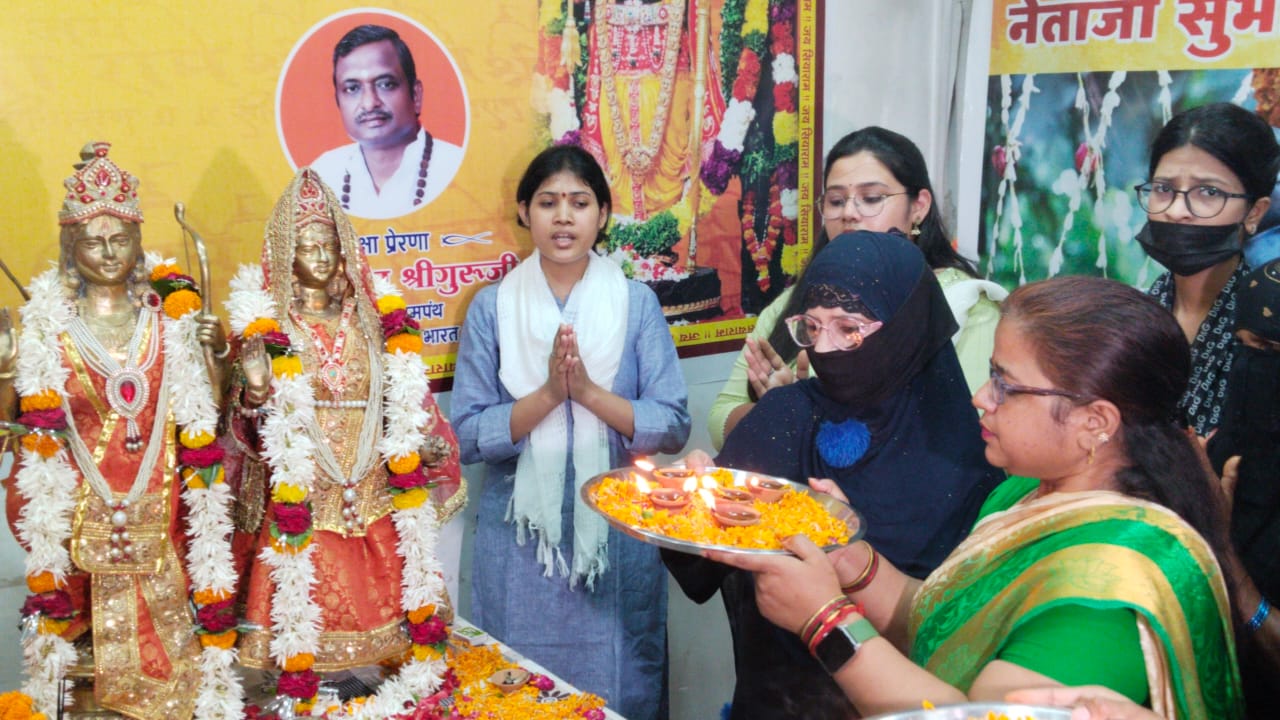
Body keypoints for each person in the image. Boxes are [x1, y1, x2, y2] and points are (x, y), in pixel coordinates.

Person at [710, 276, 1243, 719]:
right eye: (991, 376)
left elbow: (972, 713)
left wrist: (825, 622)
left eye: (1005, 385)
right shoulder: (1023, 493)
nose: (980, 398)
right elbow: (950, 626)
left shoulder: (1106, 589)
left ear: (1094, 422)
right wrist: (852, 562)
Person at [665, 230, 1004, 719]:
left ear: (906, 329)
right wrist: (684, 502)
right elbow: (701, 569)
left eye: (849, 329)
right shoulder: (787, 416)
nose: (825, 349)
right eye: (812, 327)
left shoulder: (972, 456)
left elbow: (960, 634)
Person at [450, 145, 691, 720]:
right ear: (524, 211)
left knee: (621, 689)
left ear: (602, 214)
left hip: (616, 533)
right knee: (520, 696)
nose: (563, 217)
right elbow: (468, 435)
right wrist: (547, 396)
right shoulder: (491, 308)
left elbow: (673, 423)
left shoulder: (636, 304)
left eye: (579, 203)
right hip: (519, 538)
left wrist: (586, 393)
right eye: (548, 202)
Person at [0, 143, 230, 718]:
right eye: (93, 242)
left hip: (163, 500)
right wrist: (5, 369)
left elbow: (210, 415)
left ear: (138, 242)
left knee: (179, 642)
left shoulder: (170, 318)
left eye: (120, 239)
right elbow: (14, 426)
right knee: (80, 653)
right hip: (78, 507)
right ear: (70, 250)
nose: (108, 253)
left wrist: (218, 356)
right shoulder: (48, 330)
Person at [229, 168, 464, 712]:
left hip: (373, 481)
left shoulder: (373, 321)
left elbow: (403, 401)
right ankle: (309, 693)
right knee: (303, 604)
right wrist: (256, 390)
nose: (319, 257)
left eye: (328, 247)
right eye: (306, 247)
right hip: (304, 486)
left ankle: (378, 692)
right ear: (285, 256)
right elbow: (243, 427)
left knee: (395, 610)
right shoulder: (269, 330)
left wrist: (421, 446)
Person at [707, 127, 1005, 450]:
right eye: (836, 201)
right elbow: (719, 420)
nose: (849, 213)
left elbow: (970, 442)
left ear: (919, 206)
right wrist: (786, 409)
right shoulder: (793, 304)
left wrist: (810, 413)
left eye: (872, 198)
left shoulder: (967, 307)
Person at [1136, 102, 1279, 435]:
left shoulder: (1265, 333)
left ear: (1255, 213)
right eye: (1164, 189)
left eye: (1209, 192)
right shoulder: (1132, 316)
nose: (1177, 210)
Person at [1204, 257, 1280, 715]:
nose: (1252, 368)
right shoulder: (1222, 449)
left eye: (1270, 350)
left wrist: (1229, 564)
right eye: (1242, 347)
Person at [310, 24, 464, 219]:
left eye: (385, 84)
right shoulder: (321, 174)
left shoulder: (456, 167)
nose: (369, 103)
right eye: (352, 88)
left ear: (416, 95)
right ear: (338, 102)